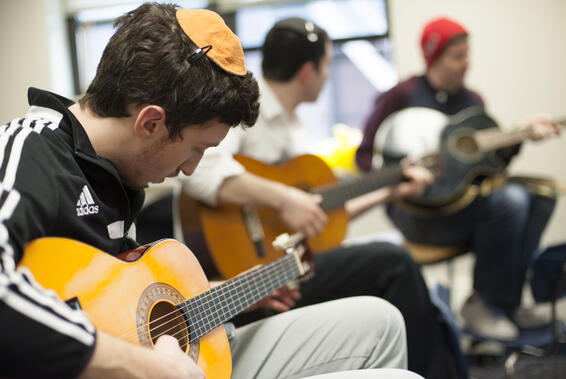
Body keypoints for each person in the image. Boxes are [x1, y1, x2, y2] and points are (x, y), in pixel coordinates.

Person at [0, 4, 425, 379]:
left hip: (162, 359)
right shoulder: (28, 151)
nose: (190, 168)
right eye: (197, 148)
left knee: (381, 321)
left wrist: (225, 293)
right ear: (150, 122)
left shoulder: (115, 172)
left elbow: (114, 307)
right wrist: (147, 368)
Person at [139, 17, 463, 379]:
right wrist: (283, 198)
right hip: (238, 266)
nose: (328, 75)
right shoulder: (243, 109)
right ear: (308, 71)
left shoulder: (294, 129)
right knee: (394, 261)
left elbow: (319, 214)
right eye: (327, 65)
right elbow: (202, 169)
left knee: (388, 260)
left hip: (287, 259)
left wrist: (390, 190)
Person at [356, 16, 561, 340]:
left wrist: (522, 134)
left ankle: (505, 301)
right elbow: (364, 155)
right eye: (457, 56)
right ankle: (483, 303)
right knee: (511, 202)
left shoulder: (473, 101)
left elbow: (489, 165)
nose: (467, 63)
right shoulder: (401, 95)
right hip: (417, 212)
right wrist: (401, 175)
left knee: (542, 196)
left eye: (467, 54)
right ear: (433, 57)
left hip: (462, 205)